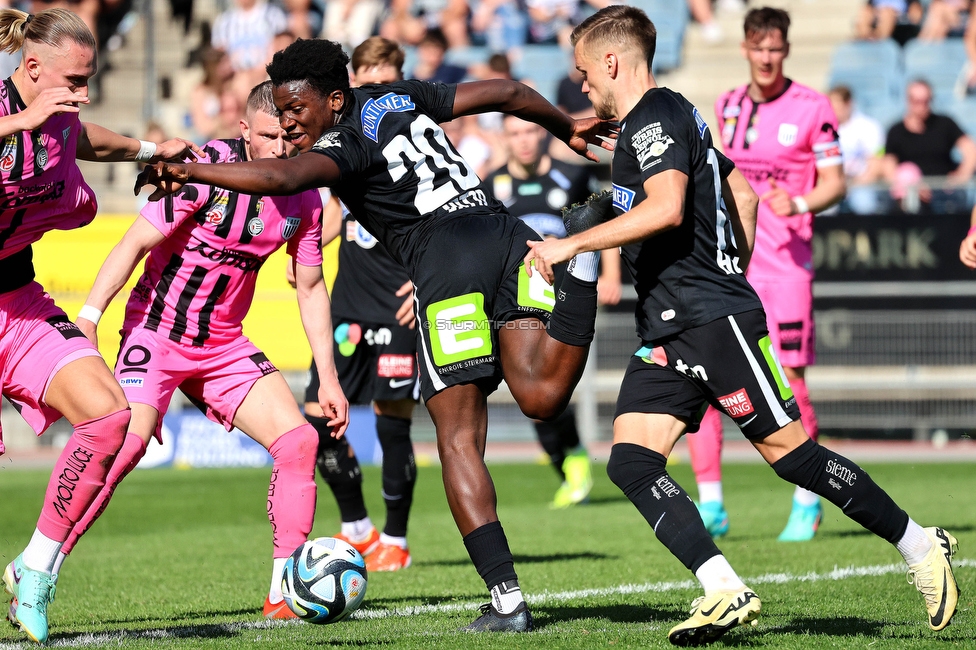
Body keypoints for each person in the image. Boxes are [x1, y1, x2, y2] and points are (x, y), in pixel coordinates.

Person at [137, 37, 615, 632]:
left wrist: (190, 171)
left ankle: (507, 602)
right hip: (508, 239)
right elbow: (509, 91)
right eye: (280, 114)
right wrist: (565, 124)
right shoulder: (396, 96)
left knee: (458, 439)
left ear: (334, 100)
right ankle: (586, 267)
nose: (287, 126)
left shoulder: (343, 141)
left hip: (446, 268)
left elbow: (285, 178)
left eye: (296, 112)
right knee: (542, 399)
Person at [525, 5, 959, 644]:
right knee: (631, 462)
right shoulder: (668, 120)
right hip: (673, 328)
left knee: (792, 457)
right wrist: (730, 264)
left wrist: (574, 246)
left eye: (584, 70)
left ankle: (921, 546)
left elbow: (670, 207)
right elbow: (745, 195)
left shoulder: (660, 115)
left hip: (708, 318)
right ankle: (723, 588)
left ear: (612, 61)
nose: (582, 83)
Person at [53, 80, 348, 622]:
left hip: (224, 346)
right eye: (267, 137)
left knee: (299, 442)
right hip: (156, 334)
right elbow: (133, 244)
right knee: (122, 450)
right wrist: (90, 319)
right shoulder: (203, 167)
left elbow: (309, 287)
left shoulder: (305, 195)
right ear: (243, 131)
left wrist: (327, 377)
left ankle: (284, 592)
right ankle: (42, 567)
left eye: (287, 137)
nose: (281, 149)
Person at [0, 8, 199, 644]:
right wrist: (20, 121)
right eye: (74, 82)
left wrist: (150, 149)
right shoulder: (13, 110)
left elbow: (84, 140)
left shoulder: (57, 119)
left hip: (16, 302)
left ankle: (34, 569)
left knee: (110, 416)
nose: (83, 94)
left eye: (89, 81)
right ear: (31, 69)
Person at [690, 6, 846, 543]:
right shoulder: (727, 105)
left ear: (786, 50)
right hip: (734, 265)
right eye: (758, 47)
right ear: (745, 48)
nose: (766, 57)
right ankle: (711, 502)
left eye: (775, 48)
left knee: (792, 383)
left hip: (786, 270)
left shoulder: (813, 107)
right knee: (706, 379)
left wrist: (798, 198)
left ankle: (808, 500)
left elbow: (836, 183)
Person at [300, 36, 420, 573]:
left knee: (393, 425)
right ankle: (356, 527)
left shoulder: (411, 143)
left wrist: (424, 283)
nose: (372, 84)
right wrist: (304, 250)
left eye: (383, 76)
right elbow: (333, 215)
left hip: (395, 314)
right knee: (315, 421)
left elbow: (447, 214)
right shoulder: (344, 144)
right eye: (364, 75)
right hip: (346, 309)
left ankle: (395, 537)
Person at [484, 114, 622, 507]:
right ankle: (570, 459)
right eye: (514, 133)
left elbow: (600, 225)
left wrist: (610, 273)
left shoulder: (572, 176)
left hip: (565, 295)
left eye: (529, 131)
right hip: (516, 301)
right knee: (527, 390)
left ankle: (575, 459)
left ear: (541, 135)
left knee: (552, 385)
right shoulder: (492, 185)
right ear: (505, 139)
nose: (523, 140)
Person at [884, 80, 976, 184]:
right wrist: (906, 187)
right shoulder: (896, 131)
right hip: (910, 195)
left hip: (944, 193)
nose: (922, 106)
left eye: (926, 101)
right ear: (908, 100)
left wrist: (960, 177)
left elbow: (970, 151)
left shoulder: (945, 124)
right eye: (917, 101)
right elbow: (889, 166)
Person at [828, 85, 884, 214]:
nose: (833, 112)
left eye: (837, 107)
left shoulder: (870, 127)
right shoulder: (825, 130)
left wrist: (854, 183)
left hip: (861, 185)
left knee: (864, 204)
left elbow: (876, 164)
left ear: (849, 104)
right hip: (833, 184)